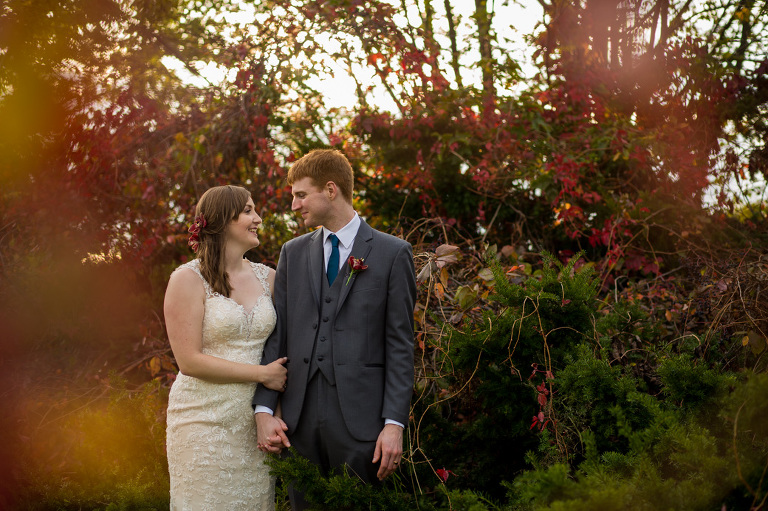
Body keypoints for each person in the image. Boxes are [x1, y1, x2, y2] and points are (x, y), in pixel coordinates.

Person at [252, 149, 417, 510]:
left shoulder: (393, 253)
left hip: (363, 424)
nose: (294, 206)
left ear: (330, 189)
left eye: (300, 194)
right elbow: (276, 336)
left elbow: (401, 345)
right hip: (297, 424)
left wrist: (394, 424)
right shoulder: (291, 254)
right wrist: (264, 410)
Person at [164, 185, 288, 510]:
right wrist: (262, 374)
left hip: (253, 427)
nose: (257, 218)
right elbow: (189, 361)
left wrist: (271, 413)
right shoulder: (187, 279)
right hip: (201, 421)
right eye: (248, 210)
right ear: (221, 220)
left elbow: (282, 348)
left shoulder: (270, 278)